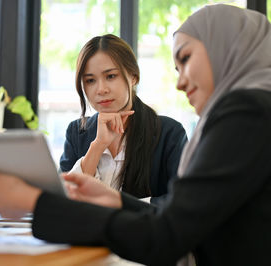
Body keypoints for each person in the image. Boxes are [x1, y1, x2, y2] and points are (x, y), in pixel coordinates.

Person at [0, 4, 271, 266]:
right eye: (90, 81)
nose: (178, 82)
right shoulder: (267, 111)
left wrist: (35, 203)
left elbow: (167, 235)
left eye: (186, 58)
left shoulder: (247, 114)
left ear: (228, 48)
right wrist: (115, 202)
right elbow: (185, 217)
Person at [59, 34, 187, 203]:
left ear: (133, 76)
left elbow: (182, 201)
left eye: (111, 76)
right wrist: (97, 146)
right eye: (90, 80)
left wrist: (121, 205)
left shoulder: (169, 133)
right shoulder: (77, 132)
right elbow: (63, 202)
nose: (101, 89)